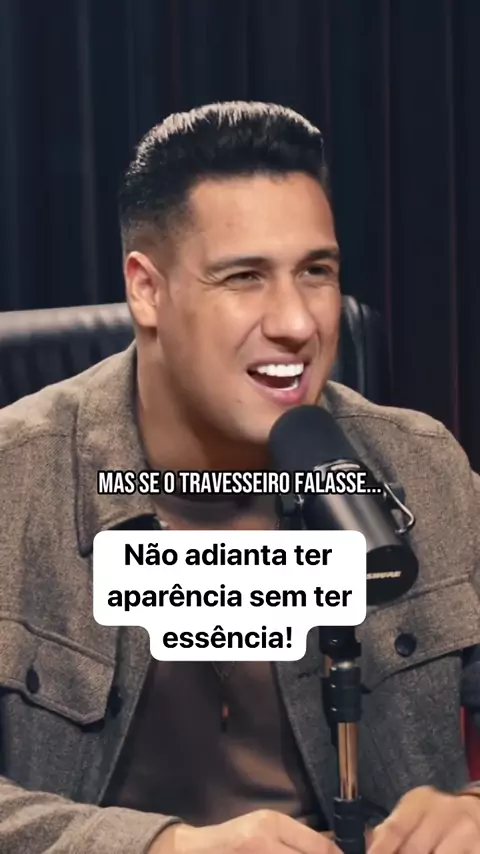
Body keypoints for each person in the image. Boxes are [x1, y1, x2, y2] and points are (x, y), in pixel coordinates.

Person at [0, 100, 480, 854]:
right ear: (147, 290)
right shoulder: (16, 478)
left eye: (315, 272)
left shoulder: (420, 467)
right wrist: (162, 847)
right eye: (245, 276)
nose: (296, 322)